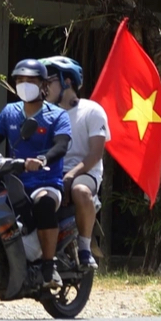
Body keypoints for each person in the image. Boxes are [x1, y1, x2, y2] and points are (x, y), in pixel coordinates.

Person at [0, 58, 71, 280]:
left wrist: (43, 160)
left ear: (43, 85)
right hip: (13, 181)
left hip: (44, 182)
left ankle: (49, 264)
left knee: (44, 204)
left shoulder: (57, 115)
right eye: (20, 80)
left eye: (31, 80)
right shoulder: (10, 112)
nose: (24, 84)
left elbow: (61, 145)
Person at [43, 56, 107, 270]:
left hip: (84, 173)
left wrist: (70, 176)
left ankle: (85, 249)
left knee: (80, 191)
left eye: (49, 81)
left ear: (67, 81)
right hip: (55, 172)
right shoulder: (46, 115)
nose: (44, 87)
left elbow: (95, 154)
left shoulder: (92, 111)